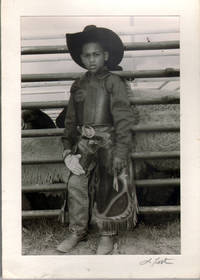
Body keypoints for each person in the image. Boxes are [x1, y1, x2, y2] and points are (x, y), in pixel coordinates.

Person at [57, 25, 138, 255]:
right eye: (87, 55)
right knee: (75, 183)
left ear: (105, 56)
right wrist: (67, 149)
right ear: (81, 58)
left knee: (108, 183)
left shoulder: (114, 83)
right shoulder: (78, 85)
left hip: (110, 141)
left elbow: (123, 119)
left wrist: (121, 151)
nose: (91, 59)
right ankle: (77, 230)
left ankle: (107, 233)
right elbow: (71, 121)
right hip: (85, 141)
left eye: (96, 54)